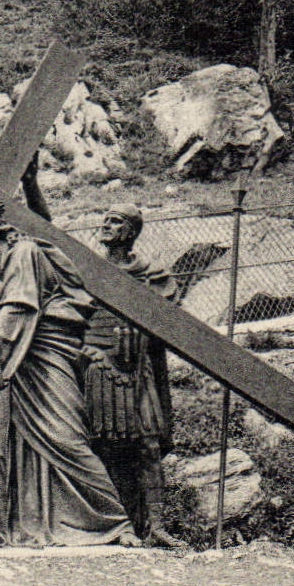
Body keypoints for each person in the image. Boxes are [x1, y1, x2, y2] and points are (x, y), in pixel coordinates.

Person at [0, 189, 137, 548]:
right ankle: (6, 533)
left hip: (43, 355)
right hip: (4, 362)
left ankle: (115, 523)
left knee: (64, 436)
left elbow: (18, 305)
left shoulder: (24, 253)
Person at [80, 205, 188, 549]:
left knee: (148, 445)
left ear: (131, 231)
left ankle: (156, 526)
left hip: (138, 371)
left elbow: (171, 322)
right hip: (99, 368)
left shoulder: (152, 275)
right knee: (106, 448)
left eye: (115, 221)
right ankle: (118, 525)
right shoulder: (87, 269)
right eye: (106, 219)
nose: (106, 225)